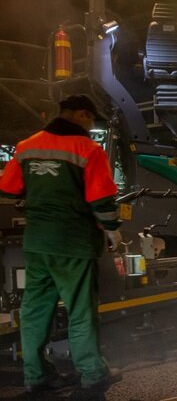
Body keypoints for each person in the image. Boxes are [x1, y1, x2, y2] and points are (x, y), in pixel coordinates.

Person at [0, 94, 122, 393]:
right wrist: (112, 229)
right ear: (81, 114)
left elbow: (9, 187)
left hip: (38, 243)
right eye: (90, 118)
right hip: (74, 243)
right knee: (80, 310)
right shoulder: (88, 149)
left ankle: (36, 376)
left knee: (35, 310)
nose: (91, 124)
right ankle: (92, 373)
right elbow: (102, 200)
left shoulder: (26, 147)